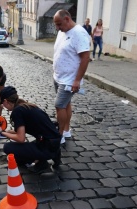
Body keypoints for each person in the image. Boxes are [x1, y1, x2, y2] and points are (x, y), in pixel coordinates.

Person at [0, 86, 62, 174]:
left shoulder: (17, 112)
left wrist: (2, 133)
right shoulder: (26, 106)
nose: (3, 106)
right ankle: (54, 153)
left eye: (2, 103)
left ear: (6, 101)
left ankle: (42, 163)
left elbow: (21, 138)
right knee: (18, 160)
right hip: (53, 141)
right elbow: (23, 129)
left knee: (8, 147)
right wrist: (7, 132)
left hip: (47, 145)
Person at [53, 9, 90, 144]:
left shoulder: (79, 33)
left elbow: (85, 58)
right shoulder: (63, 32)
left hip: (69, 79)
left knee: (59, 105)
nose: (57, 28)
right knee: (66, 104)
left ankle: (60, 135)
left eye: (59, 24)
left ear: (67, 19)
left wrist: (77, 80)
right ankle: (67, 130)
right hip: (58, 76)